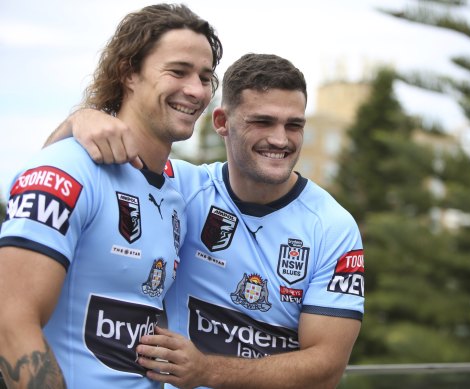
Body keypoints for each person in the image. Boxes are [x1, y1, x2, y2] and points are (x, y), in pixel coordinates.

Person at [46, 53, 364, 389]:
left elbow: (327, 367)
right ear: (222, 122)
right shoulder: (179, 188)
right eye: (263, 122)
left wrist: (208, 372)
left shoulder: (333, 227)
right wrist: (78, 121)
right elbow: (55, 181)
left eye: (294, 125)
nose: (280, 139)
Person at [0, 4, 223, 388]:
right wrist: (78, 119)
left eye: (206, 77)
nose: (196, 90)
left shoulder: (176, 190)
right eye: (178, 71)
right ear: (128, 72)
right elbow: (9, 322)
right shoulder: (67, 169)